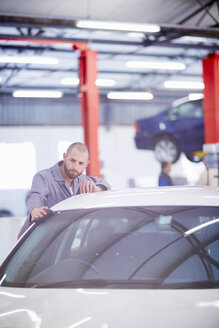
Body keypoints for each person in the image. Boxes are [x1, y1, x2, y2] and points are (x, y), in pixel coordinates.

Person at [19, 142, 111, 236]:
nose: (75, 167)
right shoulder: (44, 177)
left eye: (81, 163)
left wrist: (96, 188)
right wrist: (35, 209)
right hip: (36, 243)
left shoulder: (81, 179)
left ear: (87, 164)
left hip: (61, 241)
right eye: (72, 160)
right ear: (64, 156)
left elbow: (105, 185)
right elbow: (35, 195)